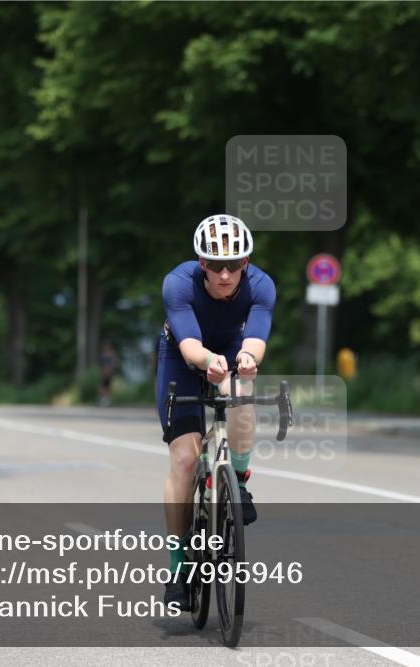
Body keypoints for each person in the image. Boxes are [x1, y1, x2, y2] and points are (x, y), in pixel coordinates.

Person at [156, 214, 276, 610]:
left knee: (243, 389)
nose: (225, 274)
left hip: (232, 351)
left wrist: (246, 358)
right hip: (184, 355)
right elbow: (189, 344)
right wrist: (208, 360)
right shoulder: (178, 283)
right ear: (201, 263)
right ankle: (178, 566)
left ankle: (238, 481)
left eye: (235, 264)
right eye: (215, 265)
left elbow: (256, 338)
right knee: (186, 457)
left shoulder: (261, 285)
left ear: (246, 262)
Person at [98, 340, 119, 407]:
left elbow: (113, 363)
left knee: (109, 386)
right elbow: (101, 364)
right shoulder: (103, 354)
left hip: (109, 372)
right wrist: (102, 372)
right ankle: (103, 400)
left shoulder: (112, 354)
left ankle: (108, 400)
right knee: (103, 386)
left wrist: (110, 370)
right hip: (104, 372)